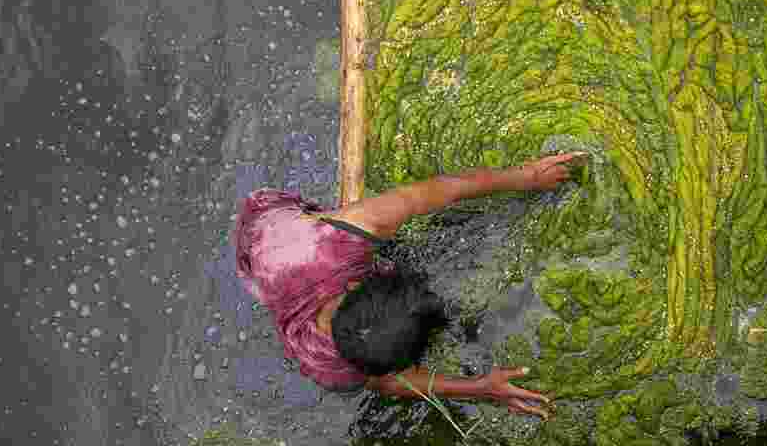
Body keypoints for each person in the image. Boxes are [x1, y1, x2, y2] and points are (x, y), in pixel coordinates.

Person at [233, 149, 590, 420]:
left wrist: (524, 177)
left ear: (359, 283)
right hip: (268, 263)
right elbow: (386, 382)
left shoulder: (339, 236)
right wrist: (481, 388)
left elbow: (435, 192)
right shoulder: (324, 363)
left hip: (279, 237)